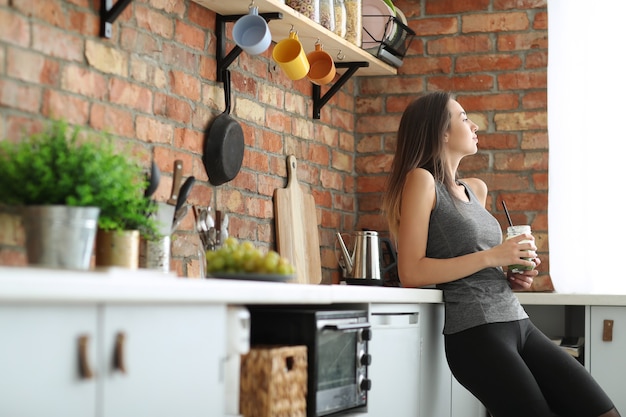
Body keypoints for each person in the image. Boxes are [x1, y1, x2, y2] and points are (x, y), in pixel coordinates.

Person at [381, 91, 620, 417]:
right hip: (476, 333)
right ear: (442, 132)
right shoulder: (421, 181)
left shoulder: (475, 189)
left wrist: (511, 275)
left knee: (602, 411)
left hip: (518, 322)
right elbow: (411, 272)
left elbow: (477, 258)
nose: (475, 124)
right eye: (464, 118)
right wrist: (494, 256)